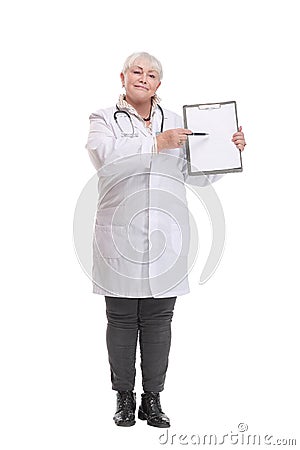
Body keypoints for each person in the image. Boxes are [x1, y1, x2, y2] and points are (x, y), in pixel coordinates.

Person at [85, 52, 246, 428]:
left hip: (167, 236)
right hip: (119, 235)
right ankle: (123, 397)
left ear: (160, 84)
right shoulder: (102, 120)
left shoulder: (177, 122)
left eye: (152, 74)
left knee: (159, 321)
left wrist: (227, 150)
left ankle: (152, 399)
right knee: (122, 319)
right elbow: (104, 158)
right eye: (137, 72)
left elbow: (197, 175)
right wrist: (156, 143)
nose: (144, 78)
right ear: (123, 77)